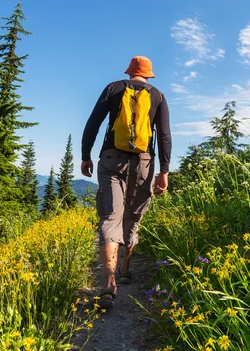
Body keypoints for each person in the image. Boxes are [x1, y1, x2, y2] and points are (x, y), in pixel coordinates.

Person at [81, 56, 171, 310]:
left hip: (111, 158)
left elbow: (93, 123)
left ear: (130, 72)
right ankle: (125, 269)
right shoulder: (158, 96)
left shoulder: (113, 88)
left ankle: (109, 284)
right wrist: (163, 171)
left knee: (111, 217)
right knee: (133, 216)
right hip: (143, 162)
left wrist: (85, 155)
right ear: (148, 75)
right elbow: (164, 135)